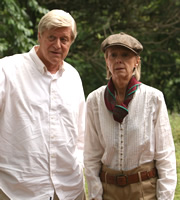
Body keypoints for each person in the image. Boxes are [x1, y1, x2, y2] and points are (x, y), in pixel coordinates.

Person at [0, 9, 86, 200]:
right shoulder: (7, 70)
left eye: (64, 39)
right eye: (51, 37)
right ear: (39, 36)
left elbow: (81, 132)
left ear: (71, 42)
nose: (57, 45)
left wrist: (79, 163)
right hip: (18, 190)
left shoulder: (73, 77)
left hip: (69, 190)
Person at [84, 32, 177, 200]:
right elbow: (91, 155)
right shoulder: (94, 100)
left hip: (144, 190)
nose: (119, 60)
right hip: (108, 191)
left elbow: (165, 155)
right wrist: (95, 195)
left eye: (125, 55)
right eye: (113, 55)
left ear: (136, 62)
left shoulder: (153, 98)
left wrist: (165, 197)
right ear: (107, 61)